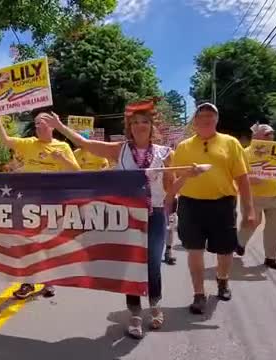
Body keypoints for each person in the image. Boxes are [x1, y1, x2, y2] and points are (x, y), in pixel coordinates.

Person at [46, 99, 172, 339]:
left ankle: (155, 305)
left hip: (154, 214)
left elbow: (171, 186)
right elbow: (84, 143)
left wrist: (190, 175)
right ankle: (135, 313)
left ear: (152, 126)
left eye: (144, 122)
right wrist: (60, 126)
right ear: (129, 127)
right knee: (131, 265)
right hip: (128, 216)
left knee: (153, 264)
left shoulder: (165, 154)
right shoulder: (120, 150)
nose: (140, 126)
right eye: (135, 123)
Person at [166, 103, 255, 314]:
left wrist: (249, 210)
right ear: (194, 122)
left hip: (222, 204)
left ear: (216, 120)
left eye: (211, 116)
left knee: (225, 250)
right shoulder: (184, 146)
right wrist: (170, 199)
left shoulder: (231, 143)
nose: (206, 119)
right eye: (202, 115)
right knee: (194, 251)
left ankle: (222, 280)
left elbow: (243, 179)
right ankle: (198, 294)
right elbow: (175, 178)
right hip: (191, 205)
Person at [0, 107, 80, 300]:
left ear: (51, 126)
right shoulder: (28, 144)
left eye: (41, 123)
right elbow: (5, 140)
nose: (37, 127)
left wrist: (62, 159)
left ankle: (49, 282)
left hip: (54, 203)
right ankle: (29, 282)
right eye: (35, 124)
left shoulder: (63, 147)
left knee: (49, 243)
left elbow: (77, 171)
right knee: (29, 242)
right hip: (29, 204)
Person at [236, 123, 276, 270]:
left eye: (272, 134)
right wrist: (252, 179)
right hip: (253, 196)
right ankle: (239, 243)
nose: (271, 137)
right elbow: (238, 175)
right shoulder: (245, 153)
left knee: (274, 229)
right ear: (255, 136)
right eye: (267, 134)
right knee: (251, 223)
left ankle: (271, 258)